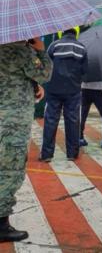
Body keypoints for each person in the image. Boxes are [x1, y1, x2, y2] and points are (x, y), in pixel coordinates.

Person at [0, 38, 52, 242]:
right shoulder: (20, 51)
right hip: (12, 122)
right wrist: (41, 51)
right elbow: (45, 73)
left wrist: (31, 84)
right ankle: (1, 225)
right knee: (9, 171)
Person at [41, 29, 88, 161]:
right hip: (73, 91)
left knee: (51, 120)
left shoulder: (54, 45)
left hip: (53, 89)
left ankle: (46, 155)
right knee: (73, 121)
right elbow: (85, 71)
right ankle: (72, 154)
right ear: (76, 33)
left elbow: (46, 65)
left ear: (62, 33)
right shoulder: (81, 48)